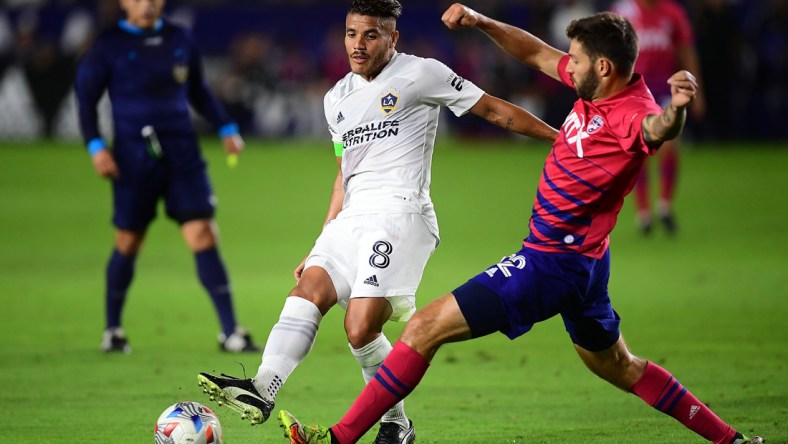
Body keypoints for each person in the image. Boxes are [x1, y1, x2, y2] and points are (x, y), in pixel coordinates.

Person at [275, 5, 763, 444]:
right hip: (587, 265)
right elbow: (533, 52)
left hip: (549, 262)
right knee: (622, 366)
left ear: (603, 68)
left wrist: (675, 111)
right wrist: (483, 22)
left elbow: (656, 131)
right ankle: (731, 440)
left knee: (423, 329)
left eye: (573, 59)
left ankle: (338, 438)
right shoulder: (594, 87)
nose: (563, 64)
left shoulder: (633, 115)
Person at [196, 1, 557, 443]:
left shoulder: (422, 73)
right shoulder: (336, 99)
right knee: (309, 289)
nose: (358, 45)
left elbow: (495, 110)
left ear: (393, 38)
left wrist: (563, 140)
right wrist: (320, 239)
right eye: (351, 34)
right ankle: (263, 388)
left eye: (370, 35)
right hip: (351, 217)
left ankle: (397, 423)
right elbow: (343, 174)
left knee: (360, 327)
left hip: (401, 214)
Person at [75, 0, 260, 354]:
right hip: (132, 156)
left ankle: (230, 332)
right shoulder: (108, 45)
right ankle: (113, 330)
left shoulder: (180, 39)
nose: (146, 4)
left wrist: (226, 126)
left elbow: (198, 90)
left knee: (203, 232)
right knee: (129, 240)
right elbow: (86, 100)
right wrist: (97, 146)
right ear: (124, 3)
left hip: (182, 153)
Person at [610, 0, 706, 235]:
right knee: (639, 150)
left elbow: (686, 51)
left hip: (665, 88)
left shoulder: (672, 13)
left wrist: (698, 91)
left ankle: (664, 206)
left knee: (670, 144)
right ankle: (643, 214)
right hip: (634, 90)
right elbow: (609, 53)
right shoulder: (623, 12)